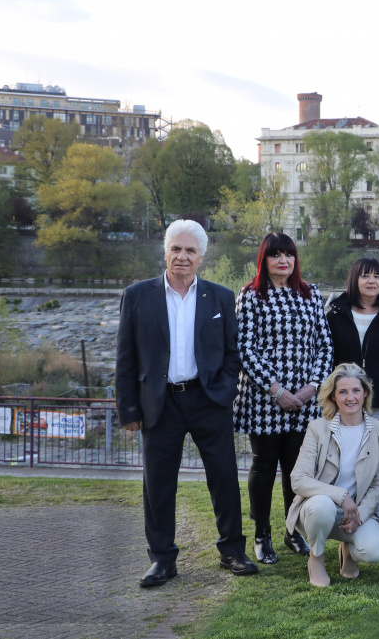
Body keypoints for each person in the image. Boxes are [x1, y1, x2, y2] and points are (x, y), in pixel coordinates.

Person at [116, 219, 257, 587]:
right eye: (176, 249)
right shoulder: (137, 296)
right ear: (165, 252)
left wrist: (224, 390)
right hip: (159, 404)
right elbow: (126, 358)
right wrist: (129, 410)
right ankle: (162, 559)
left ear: (202, 257)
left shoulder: (221, 297)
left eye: (190, 250)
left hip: (208, 400)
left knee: (224, 478)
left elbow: (232, 353)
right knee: (158, 484)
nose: (182, 256)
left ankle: (232, 551)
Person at [233, 232, 334, 565]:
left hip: (304, 400)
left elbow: (325, 347)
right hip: (265, 399)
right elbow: (244, 349)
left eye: (288, 255)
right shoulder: (250, 297)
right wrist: (277, 390)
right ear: (264, 259)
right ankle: (262, 535)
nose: (283, 261)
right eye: (275, 255)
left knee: (297, 470)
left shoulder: (310, 294)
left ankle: (294, 531)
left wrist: (312, 387)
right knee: (264, 466)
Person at [286, 363, 379, 587]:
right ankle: (316, 557)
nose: (349, 397)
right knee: (322, 505)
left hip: (355, 511)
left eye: (355, 390)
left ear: (365, 394)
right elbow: (299, 479)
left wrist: (359, 515)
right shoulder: (317, 428)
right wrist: (342, 495)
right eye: (342, 392)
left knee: (375, 551)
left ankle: (349, 552)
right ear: (333, 397)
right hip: (316, 511)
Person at [327, 257, 379, 523]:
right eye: (365, 276)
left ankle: (373, 524)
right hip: (344, 406)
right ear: (355, 279)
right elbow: (327, 359)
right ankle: (345, 524)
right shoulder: (335, 314)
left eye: (377, 276)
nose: (372, 281)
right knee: (346, 468)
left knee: (378, 470)